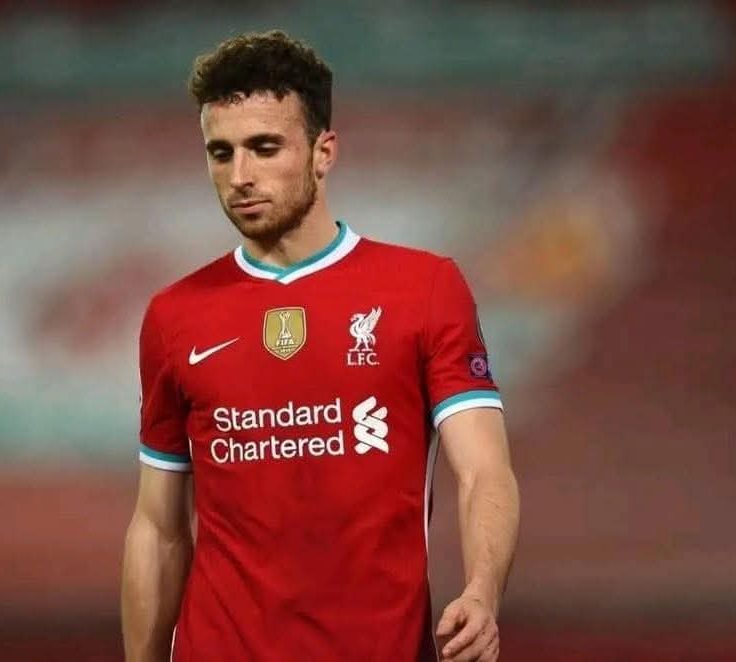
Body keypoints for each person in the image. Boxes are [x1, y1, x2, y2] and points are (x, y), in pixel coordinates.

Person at [121, 30, 520, 662]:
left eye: (264, 147)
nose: (239, 176)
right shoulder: (174, 317)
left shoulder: (423, 288)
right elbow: (158, 526)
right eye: (220, 153)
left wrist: (482, 591)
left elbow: (483, 472)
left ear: (323, 152)